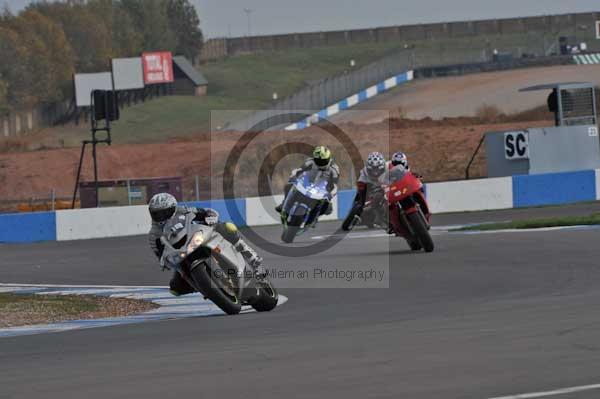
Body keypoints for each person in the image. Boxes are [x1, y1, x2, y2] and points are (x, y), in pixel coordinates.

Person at [148, 193, 264, 296]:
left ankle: (252, 257)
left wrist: (210, 217)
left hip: (198, 238)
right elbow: (160, 255)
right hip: (181, 255)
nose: (161, 216)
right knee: (175, 289)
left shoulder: (183, 210)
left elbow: (205, 212)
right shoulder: (154, 235)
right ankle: (203, 287)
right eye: (157, 214)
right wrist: (164, 261)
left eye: (165, 212)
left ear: (173, 208)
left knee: (226, 227)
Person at [275, 145, 340, 215]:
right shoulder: (310, 161)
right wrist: (293, 176)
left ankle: (320, 212)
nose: (320, 162)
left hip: (322, 190)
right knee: (289, 186)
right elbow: (299, 170)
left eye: (323, 160)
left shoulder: (334, 169)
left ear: (328, 158)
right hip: (307, 184)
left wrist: (329, 195)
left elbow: (334, 185)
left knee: (326, 208)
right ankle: (284, 204)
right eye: (318, 160)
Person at [354, 152, 387, 217]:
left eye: (377, 168)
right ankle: (357, 210)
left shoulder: (387, 170)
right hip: (371, 191)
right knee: (359, 194)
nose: (375, 172)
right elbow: (360, 183)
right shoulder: (364, 172)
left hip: (384, 190)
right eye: (373, 168)